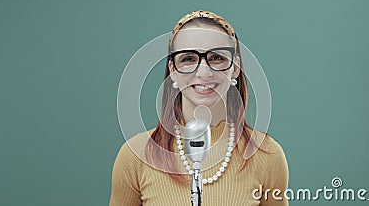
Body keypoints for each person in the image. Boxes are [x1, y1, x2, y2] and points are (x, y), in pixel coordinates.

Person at [110, 10, 289, 206]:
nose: (204, 72)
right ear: (173, 70)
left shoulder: (267, 155)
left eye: (216, 58)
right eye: (188, 59)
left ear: (235, 68)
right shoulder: (135, 155)